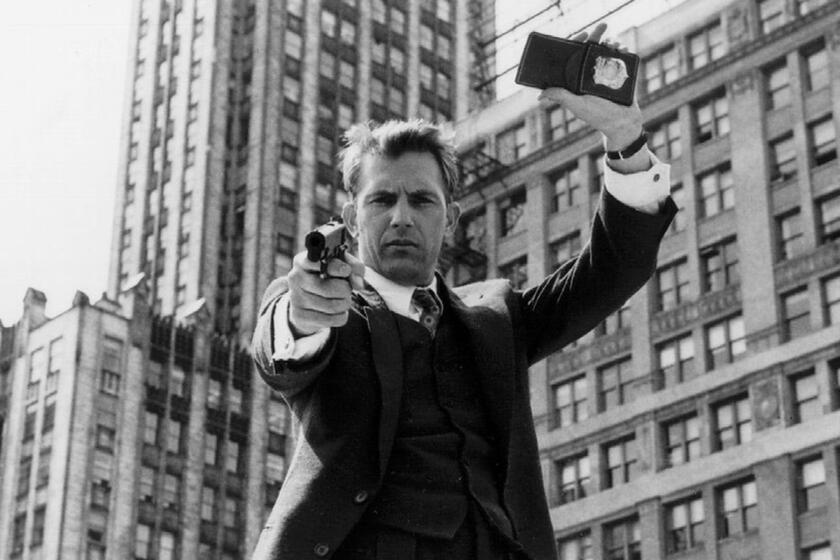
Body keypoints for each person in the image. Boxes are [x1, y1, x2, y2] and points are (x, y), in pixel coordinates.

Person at [251, 23, 676, 560]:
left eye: (421, 201)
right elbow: (281, 346)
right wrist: (305, 312)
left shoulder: (498, 317)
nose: (401, 217)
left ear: (449, 218)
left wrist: (624, 137)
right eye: (381, 201)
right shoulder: (329, 307)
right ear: (351, 221)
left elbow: (613, 270)